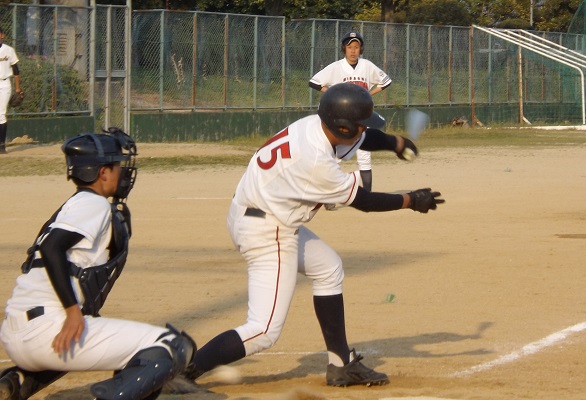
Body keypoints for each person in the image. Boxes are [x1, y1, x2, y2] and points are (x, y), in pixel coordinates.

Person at [183, 83, 444, 387]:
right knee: (264, 330)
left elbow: (365, 138)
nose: (363, 129)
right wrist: (411, 200)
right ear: (343, 127)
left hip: (257, 212)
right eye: (359, 124)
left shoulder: (316, 125)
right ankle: (182, 372)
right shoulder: (315, 162)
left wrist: (396, 143)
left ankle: (341, 365)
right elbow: (365, 202)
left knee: (328, 267)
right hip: (266, 230)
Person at [0, 128, 196, 400]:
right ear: (103, 173)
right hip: (46, 330)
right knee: (172, 345)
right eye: (117, 166)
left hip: (19, 332)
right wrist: (72, 311)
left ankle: (17, 382)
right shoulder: (94, 204)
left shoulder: (71, 205)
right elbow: (51, 247)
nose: (123, 172)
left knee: (91, 325)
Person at [309, 31, 392, 192]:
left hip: (363, 116)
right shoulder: (336, 67)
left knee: (365, 155)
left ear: (360, 49)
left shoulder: (367, 65)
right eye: (349, 47)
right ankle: (329, 195)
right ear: (344, 49)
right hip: (342, 117)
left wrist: (369, 94)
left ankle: (368, 195)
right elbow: (314, 82)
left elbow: (386, 81)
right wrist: (332, 93)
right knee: (335, 156)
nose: (353, 50)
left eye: (356, 47)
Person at [0, 26, 22, 154]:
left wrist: (17, 88)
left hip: (4, 84)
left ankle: (1, 146)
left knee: (1, 114)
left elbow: (16, 70)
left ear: (2, 35)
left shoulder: (8, 50)